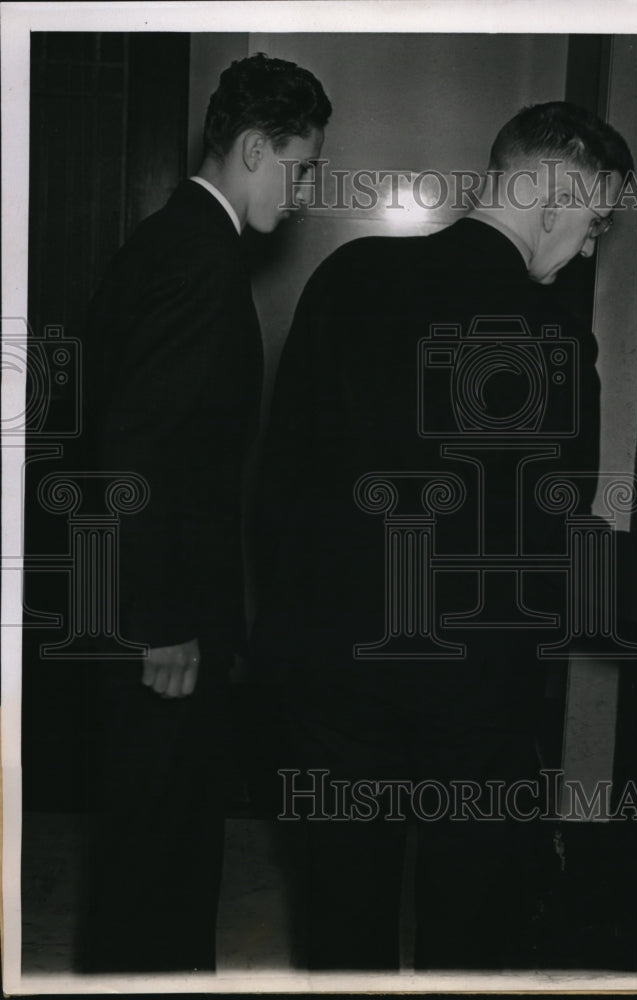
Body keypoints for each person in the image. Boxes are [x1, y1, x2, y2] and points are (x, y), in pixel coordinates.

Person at [249, 101, 633, 970]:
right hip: (477, 694)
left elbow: (280, 483)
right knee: (471, 927)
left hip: (329, 671)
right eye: (592, 221)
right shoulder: (554, 337)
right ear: (552, 197)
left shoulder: (348, 277)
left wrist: (278, 640)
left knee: (341, 912)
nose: (585, 247)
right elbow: (553, 535)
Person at [79, 52, 330, 973]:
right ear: (256, 149)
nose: (302, 192)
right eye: (301, 167)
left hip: (150, 616)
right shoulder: (199, 261)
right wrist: (162, 626)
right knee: (159, 859)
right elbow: (138, 455)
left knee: (155, 853)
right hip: (163, 632)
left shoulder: (168, 242)